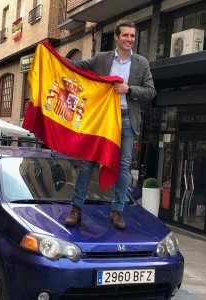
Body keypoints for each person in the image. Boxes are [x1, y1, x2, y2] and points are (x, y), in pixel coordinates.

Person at [65, 19, 156, 229]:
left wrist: (129, 89)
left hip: (126, 118)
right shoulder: (101, 59)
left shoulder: (142, 63)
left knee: (124, 166)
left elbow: (151, 92)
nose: (129, 39)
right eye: (125, 35)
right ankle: (76, 208)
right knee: (87, 163)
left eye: (132, 36)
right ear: (116, 37)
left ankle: (117, 211)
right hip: (102, 119)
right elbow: (75, 67)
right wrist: (51, 57)